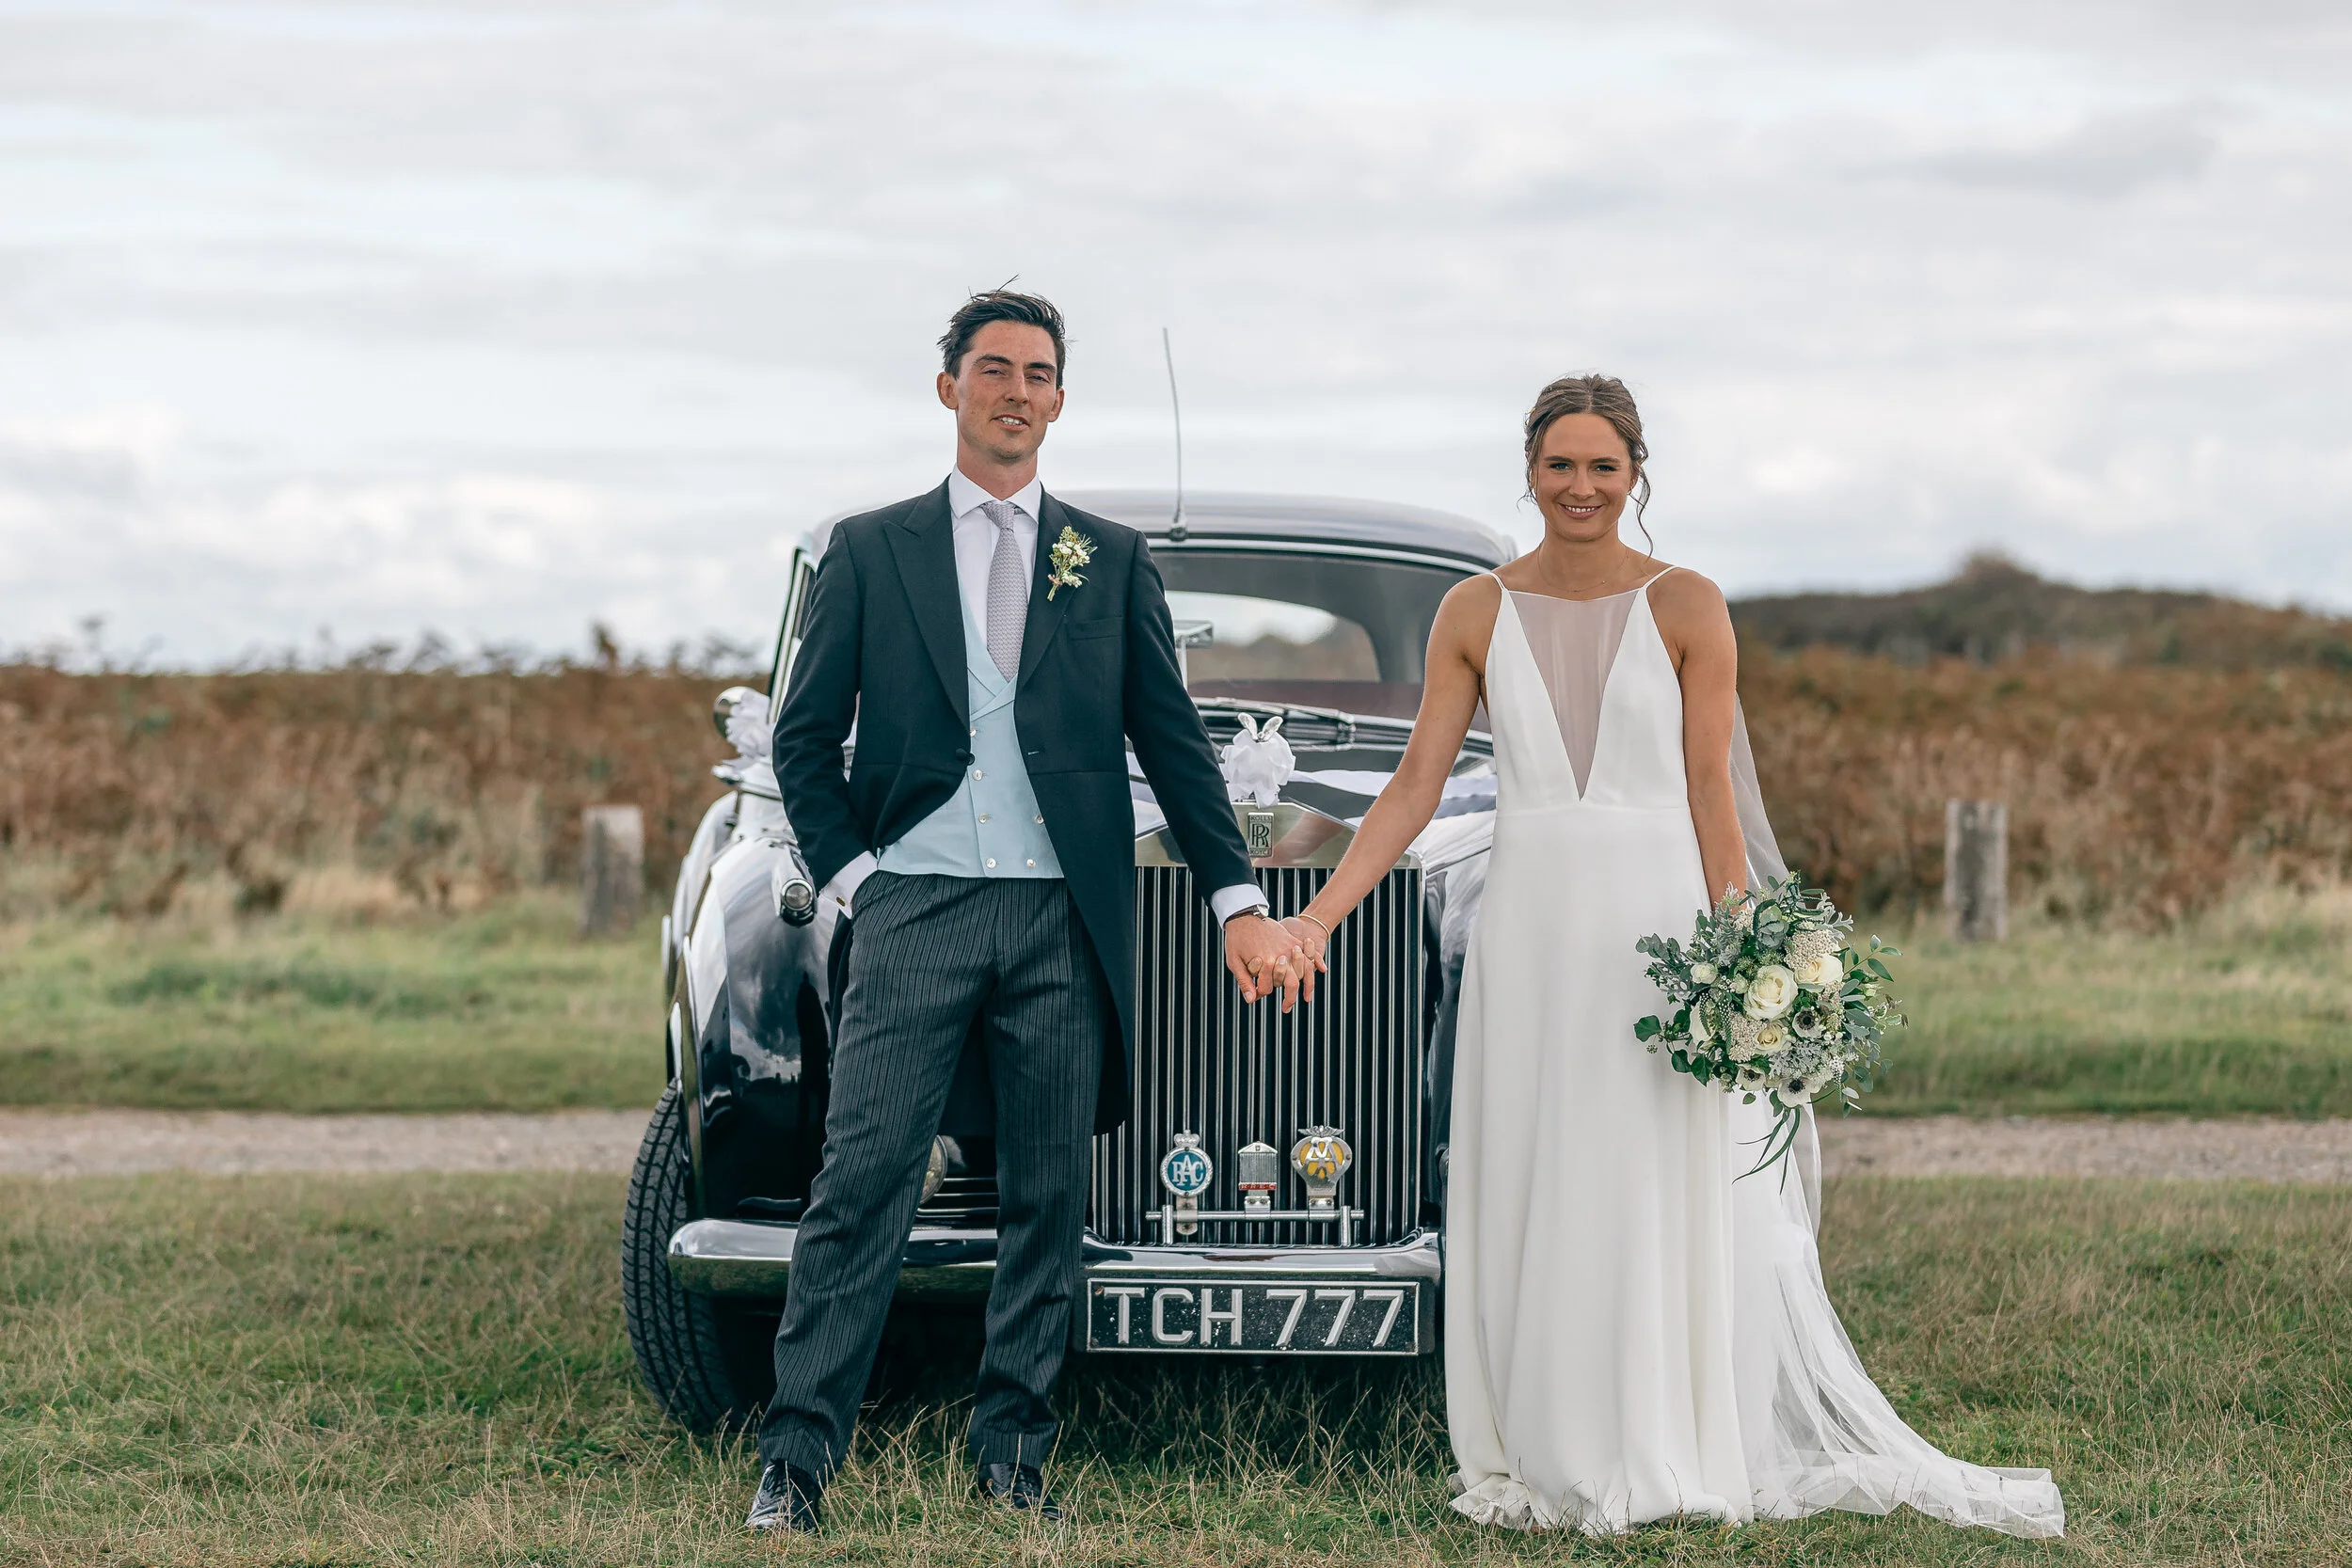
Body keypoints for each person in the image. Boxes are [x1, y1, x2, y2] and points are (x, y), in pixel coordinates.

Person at [1279, 376, 2065, 1538]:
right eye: (1560, 465)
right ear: (1529, 471)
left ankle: (1668, 1431)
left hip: (1659, 931)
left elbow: (1712, 792)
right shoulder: (1473, 610)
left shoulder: (1690, 603)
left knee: (1655, 1169)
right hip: (1533, 927)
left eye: (1603, 465)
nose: (1581, 487)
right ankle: (1539, 1437)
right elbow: (1414, 786)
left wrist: (1748, 953)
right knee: (1539, 1163)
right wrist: (1320, 914)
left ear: (1636, 472)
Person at [748, 290, 1310, 1534]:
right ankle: (796, 1458)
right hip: (917, 904)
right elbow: (801, 740)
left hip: (1065, 920)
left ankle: (1012, 1451)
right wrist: (856, 879)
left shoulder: (1106, 559)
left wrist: (1234, 898)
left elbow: (1172, 745)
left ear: (1060, 399)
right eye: (991, 368)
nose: (1015, 389)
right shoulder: (870, 546)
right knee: (863, 1175)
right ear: (947, 386)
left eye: (1037, 372)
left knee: (1051, 1191)